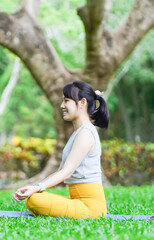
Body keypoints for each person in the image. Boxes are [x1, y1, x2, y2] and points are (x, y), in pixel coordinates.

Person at [12, 81, 109, 219]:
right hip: (79, 202)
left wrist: (37, 187)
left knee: (35, 200)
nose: (62, 105)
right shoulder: (79, 132)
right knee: (35, 197)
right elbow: (60, 171)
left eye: (66, 101)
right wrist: (35, 187)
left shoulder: (86, 133)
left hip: (91, 208)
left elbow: (66, 173)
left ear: (82, 103)